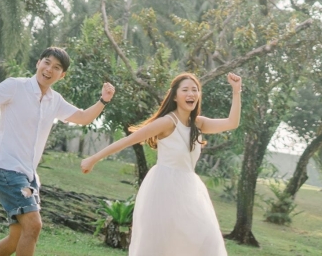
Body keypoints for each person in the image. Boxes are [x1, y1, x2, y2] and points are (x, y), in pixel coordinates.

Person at [0, 47, 115, 256]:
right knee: (33, 224)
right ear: (38, 63)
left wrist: (103, 100)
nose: (49, 69)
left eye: (56, 67)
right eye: (47, 63)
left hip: (28, 178)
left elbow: (83, 117)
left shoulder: (54, 100)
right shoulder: (15, 86)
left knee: (16, 238)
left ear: (62, 75)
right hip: (6, 170)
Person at [81, 71, 242, 255]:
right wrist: (93, 159)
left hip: (190, 189)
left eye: (195, 90)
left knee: (206, 241)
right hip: (164, 188)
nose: (191, 94)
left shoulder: (198, 123)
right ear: (174, 96)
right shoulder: (167, 122)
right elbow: (128, 140)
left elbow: (232, 123)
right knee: (163, 246)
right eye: (185, 90)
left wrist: (236, 91)